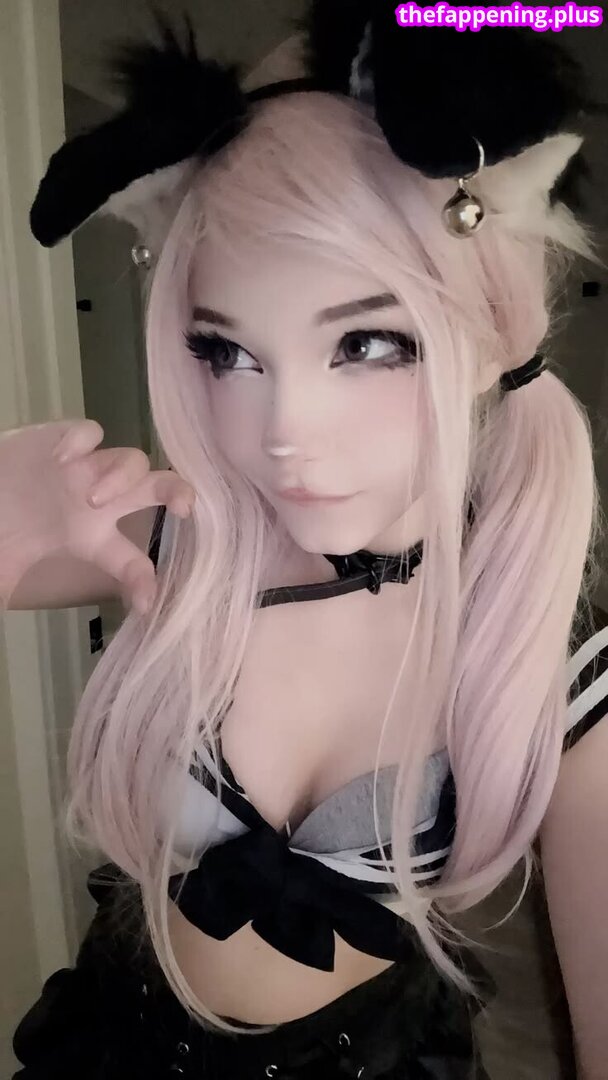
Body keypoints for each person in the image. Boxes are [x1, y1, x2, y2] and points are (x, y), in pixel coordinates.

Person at [3, 4, 608, 1078]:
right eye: (227, 354)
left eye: (366, 342)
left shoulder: (552, 660)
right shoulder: (177, 546)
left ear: (490, 338)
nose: (283, 433)